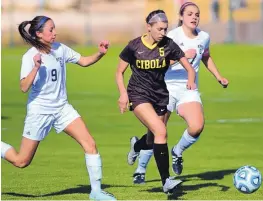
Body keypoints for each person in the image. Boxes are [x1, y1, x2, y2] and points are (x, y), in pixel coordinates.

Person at [1, 16, 116, 201]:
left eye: (55, 29)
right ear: (39, 34)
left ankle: (96, 192)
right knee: (21, 161)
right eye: (51, 30)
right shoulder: (30, 56)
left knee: (90, 144)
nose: (55, 33)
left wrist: (100, 53)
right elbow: (23, 87)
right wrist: (36, 67)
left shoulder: (60, 48)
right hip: (40, 111)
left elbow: (84, 61)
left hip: (62, 108)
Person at [132, 2, 229, 184]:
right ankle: (140, 168)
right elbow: (158, 62)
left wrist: (218, 76)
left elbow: (206, 56)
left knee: (197, 126)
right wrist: (182, 55)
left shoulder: (204, 37)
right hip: (165, 87)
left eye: (197, 14)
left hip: (188, 88)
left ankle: (177, 151)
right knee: (156, 132)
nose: (194, 17)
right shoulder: (171, 37)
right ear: (181, 16)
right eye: (190, 14)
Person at [116, 10, 197, 193]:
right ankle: (166, 181)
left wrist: (190, 79)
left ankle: (137, 145)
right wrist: (123, 94)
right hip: (138, 95)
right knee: (161, 131)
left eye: (165, 29)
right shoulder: (134, 46)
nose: (163, 33)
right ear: (149, 27)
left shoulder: (169, 45)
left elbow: (189, 67)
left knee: (154, 139)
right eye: (159, 29)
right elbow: (119, 72)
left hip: (160, 95)